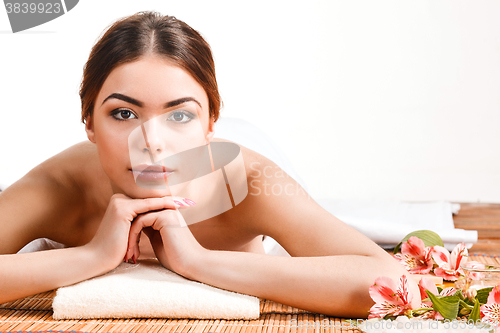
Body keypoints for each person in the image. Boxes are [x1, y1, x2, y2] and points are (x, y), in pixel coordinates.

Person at [0, 11, 419, 317]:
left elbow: (398, 284)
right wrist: (90, 256)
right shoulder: (58, 185)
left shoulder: (250, 180)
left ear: (210, 123)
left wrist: (197, 261)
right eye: (124, 114)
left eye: (179, 115)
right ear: (88, 123)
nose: (152, 144)